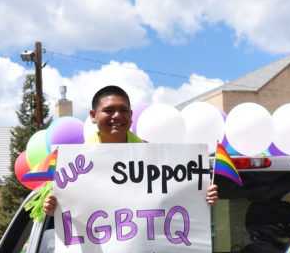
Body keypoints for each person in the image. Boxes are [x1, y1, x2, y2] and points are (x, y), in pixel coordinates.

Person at [43, 85, 217, 216]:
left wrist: (202, 196)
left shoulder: (158, 159)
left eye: (123, 110)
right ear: (93, 115)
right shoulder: (72, 164)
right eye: (109, 110)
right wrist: (52, 208)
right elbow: (69, 212)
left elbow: (175, 200)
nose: (117, 116)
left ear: (131, 115)